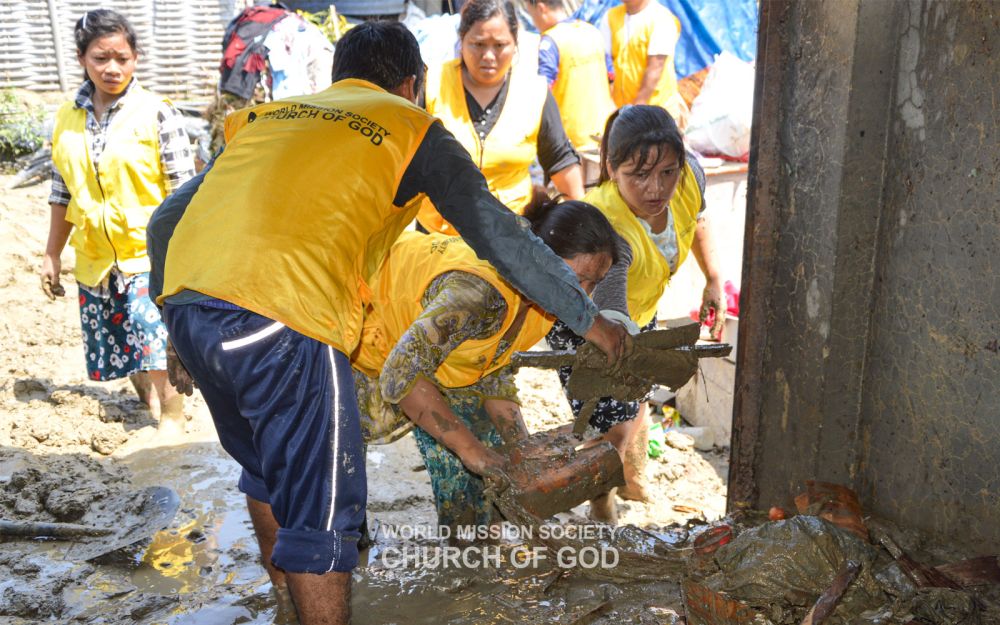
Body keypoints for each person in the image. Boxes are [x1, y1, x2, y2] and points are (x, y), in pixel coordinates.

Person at [147, 22, 628, 625]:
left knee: (268, 470)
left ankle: (284, 604)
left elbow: (165, 221)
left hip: (193, 310)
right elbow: (500, 234)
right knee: (324, 514)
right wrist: (592, 322)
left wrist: (174, 323)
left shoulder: (272, 116)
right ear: (411, 85)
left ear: (337, 80)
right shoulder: (410, 126)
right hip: (287, 313)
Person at [355, 197, 623, 532]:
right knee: (336, 468)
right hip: (353, 320)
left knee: (488, 478)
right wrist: (472, 451)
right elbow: (401, 374)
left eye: (594, 283)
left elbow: (493, 368)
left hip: (420, 350)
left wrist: (520, 445)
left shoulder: (543, 301)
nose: (582, 295)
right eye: (576, 278)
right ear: (540, 257)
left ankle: (475, 541)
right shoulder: (478, 295)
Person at [547, 105, 724, 523]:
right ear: (611, 169)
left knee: (635, 399)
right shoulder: (606, 225)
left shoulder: (689, 177)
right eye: (638, 175)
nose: (656, 188)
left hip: (639, 307)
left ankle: (629, 476)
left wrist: (713, 277)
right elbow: (610, 312)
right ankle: (600, 499)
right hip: (585, 317)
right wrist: (635, 354)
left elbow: (697, 215)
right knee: (611, 422)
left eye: (667, 172)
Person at [41, 9, 195, 434]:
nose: (112, 68)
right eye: (100, 58)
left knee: (152, 332)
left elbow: (186, 191)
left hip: (150, 250)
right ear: (81, 59)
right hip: (96, 254)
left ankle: (174, 420)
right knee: (124, 341)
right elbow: (62, 192)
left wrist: (190, 257)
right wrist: (52, 254)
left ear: (135, 58)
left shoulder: (157, 113)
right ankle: (150, 401)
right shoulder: (66, 119)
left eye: (122, 58)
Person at [416, 0, 586, 235]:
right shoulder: (431, 84)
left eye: (499, 45)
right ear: (461, 40)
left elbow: (560, 160)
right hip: (437, 237)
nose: (488, 55)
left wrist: (583, 228)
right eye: (478, 44)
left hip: (512, 237)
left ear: (515, 43)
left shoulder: (534, 92)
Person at [523, 0, 615, 151]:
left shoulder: (550, 42)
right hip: (604, 137)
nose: (534, 22)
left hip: (569, 144)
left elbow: (542, 92)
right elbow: (611, 78)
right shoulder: (592, 32)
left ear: (541, 8)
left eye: (532, 15)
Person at [598, 0, 687, 123]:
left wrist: (634, 115)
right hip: (625, 113)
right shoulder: (610, 17)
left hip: (658, 114)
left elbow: (655, 69)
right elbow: (606, 63)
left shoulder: (661, 19)